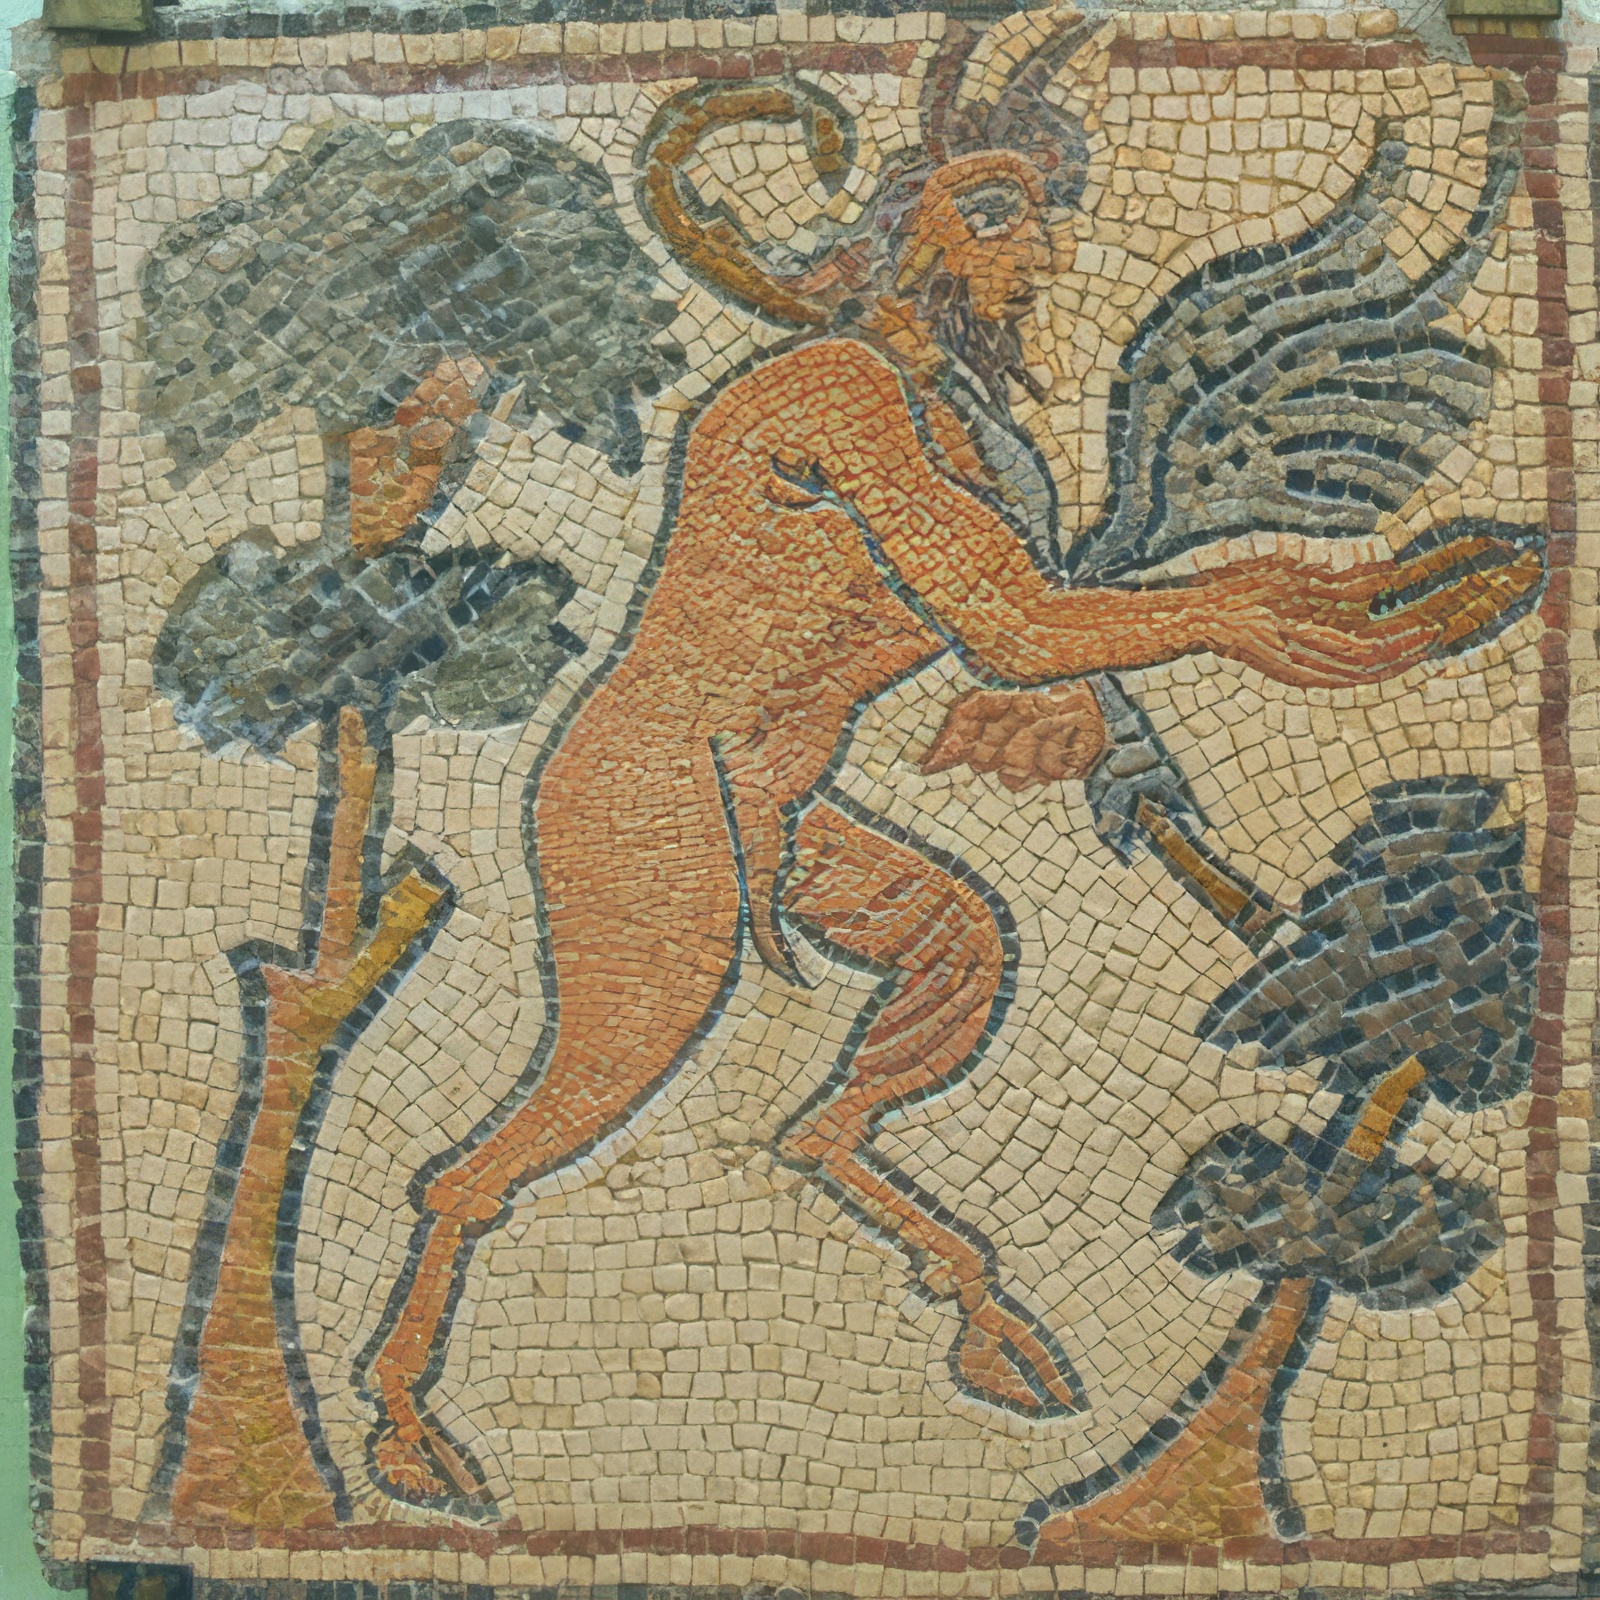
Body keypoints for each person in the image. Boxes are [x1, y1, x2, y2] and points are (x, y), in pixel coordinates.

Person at [361, 122, 1543, 1506]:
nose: (1037, 250)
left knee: (953, 944)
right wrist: (1239, 613)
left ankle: (847, 1150)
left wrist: (1342, 612)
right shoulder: (831, 392)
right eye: (995, 212)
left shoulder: (958, 442)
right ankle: (397, 1389)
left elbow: (1054, 619)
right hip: (654, 788)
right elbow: (1014, 629)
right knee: (590, 1092)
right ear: (903, 231)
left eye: (1043, 217)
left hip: (769, 799)